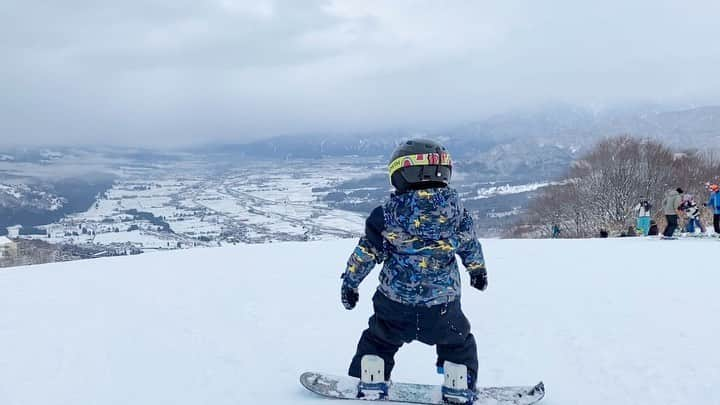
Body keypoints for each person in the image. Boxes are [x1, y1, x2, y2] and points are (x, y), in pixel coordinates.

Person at [341, 139, 486, 403]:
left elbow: (366, 253)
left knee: (378, 340)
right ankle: (459, 380)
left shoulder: (385, 215)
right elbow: (469, 244)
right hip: (442, 306)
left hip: (394, 304)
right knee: (458, 343)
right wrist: (477, 270)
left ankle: (371, 375)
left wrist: (350, 283)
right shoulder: (459, 214)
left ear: (400, 174)